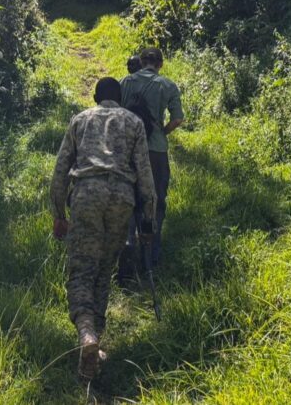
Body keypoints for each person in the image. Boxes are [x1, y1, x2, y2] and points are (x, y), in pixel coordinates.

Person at [50, 77, 156, 380]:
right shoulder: (134, 122)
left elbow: (60, 170)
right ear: (119, 98)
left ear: (96, 97)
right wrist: (147, 220)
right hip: (121, 199)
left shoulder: (80, 120)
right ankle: (95, 343)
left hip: (86, 196)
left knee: (82, 270)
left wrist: (59, 212)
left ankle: (86, 335)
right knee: (105, 268)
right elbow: (145, 175)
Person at [119, 47, 184, 274]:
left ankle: (128, 244)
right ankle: (152, 253)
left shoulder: (125, 82)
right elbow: (177, 119)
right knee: (156, 198)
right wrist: (161, 133)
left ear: (141, 60)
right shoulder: (167, 85)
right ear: (160, 64)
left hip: (127, 149)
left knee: (128, 196)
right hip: (155, 150)